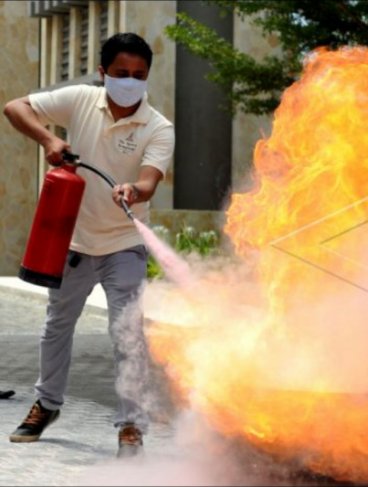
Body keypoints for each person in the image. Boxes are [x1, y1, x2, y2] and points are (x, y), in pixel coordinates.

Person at [3, 33, 174, 457]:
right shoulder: (80, 99)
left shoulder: (158, 127)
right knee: (56, 327)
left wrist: (134, 189)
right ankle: (46, 404)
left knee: (128, 334)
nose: (131, 82)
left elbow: (150, 182)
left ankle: (130, 425)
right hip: (73, 242)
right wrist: (49, 140)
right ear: (103, 73)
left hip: (124, 244)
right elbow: (14, 107)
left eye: (139, 75)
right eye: (121, 74)